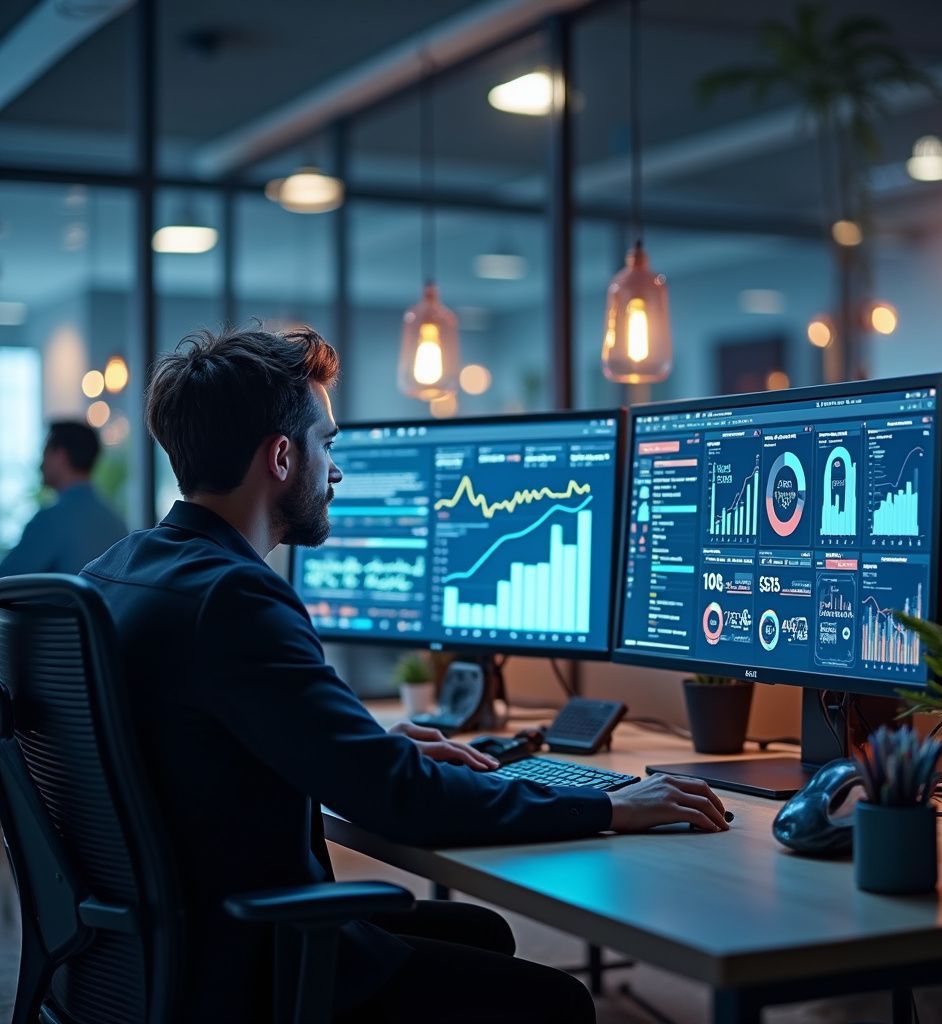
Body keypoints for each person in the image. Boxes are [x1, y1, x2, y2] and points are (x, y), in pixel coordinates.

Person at [82, 326, 729, 1023]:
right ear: (281, 457)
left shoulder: (113, 574)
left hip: (141, 955)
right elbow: (396, 799)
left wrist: (370, 749)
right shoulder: (234, 598)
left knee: (482, 933)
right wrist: (610, 806)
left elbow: (202, 750)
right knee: (558, 1003)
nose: (336, 472)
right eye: (327, 444)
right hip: (247, 967)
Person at [0, 420, 128, 576]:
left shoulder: (49, 521)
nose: (41, 464)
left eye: (45, 453)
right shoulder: (118, 524)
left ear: (60, 456)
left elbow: (5, 578)